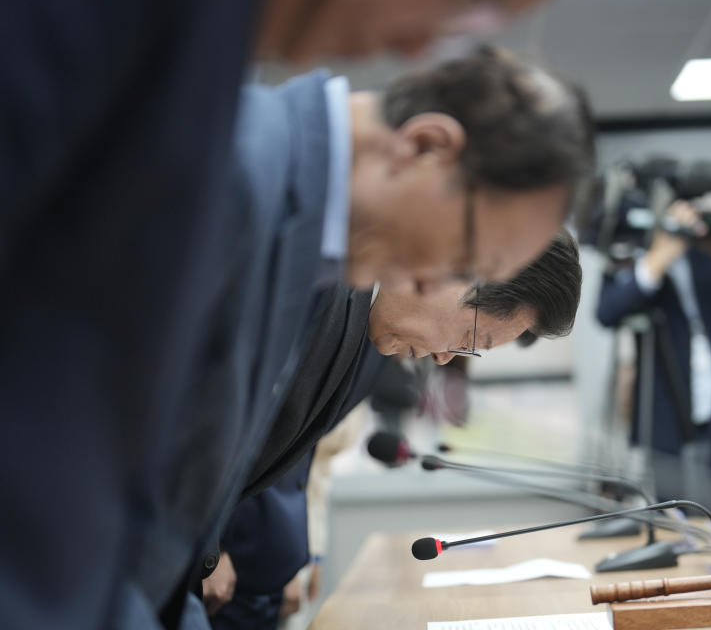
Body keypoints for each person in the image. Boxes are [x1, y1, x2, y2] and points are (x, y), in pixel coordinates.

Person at [0, 0, 566, 627]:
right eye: (466, 259)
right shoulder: (228, 168)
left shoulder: (304, 235)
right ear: (428, 147)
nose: (439, 282)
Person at [203, 232, 582, 627]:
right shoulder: (322, 282)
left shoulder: (374, 333)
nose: (444, 356)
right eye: (469, 338)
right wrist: (206, 547)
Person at [597, 200, 711, 454]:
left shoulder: (706, 256)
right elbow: (606, 313)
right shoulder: (634, 257)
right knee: (674, 492)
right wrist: (660, 256)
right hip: (668, 410)